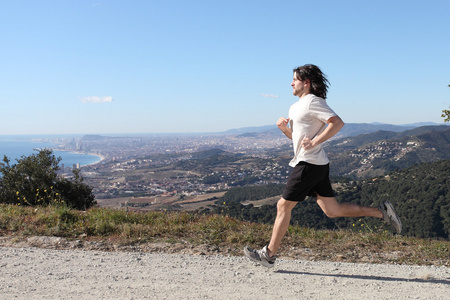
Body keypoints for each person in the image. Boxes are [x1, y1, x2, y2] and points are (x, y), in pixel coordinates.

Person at [244, 64, 402, 268]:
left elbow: (337, 123)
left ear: (306, 82)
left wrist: (315, 142)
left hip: (308, 164)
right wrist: (284, 129)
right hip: (315, 164)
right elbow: (298, 139)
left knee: (283, 205)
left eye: (295, 79)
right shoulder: (295, 106)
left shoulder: (313, 102)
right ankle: (382, 212)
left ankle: (269, 254)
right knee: (332, 210)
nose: (291, 83)